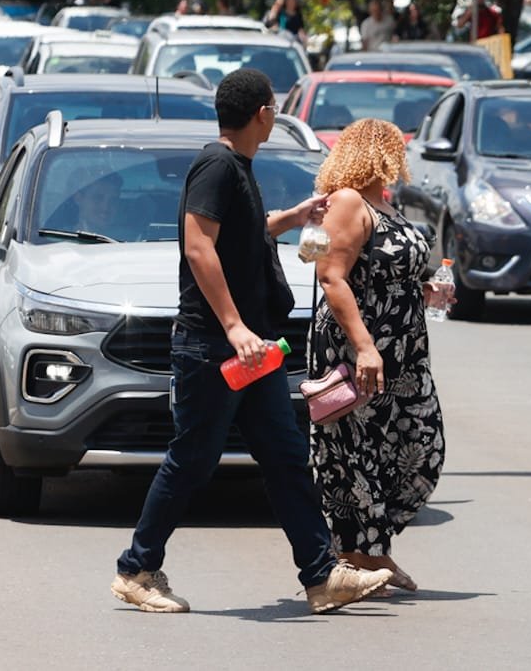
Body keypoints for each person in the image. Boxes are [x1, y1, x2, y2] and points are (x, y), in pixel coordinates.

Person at [113, 68, 392, 614]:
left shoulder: (236, 167)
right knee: (193, 458)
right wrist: (235, 326)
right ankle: (136, 570)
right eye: (272, 110)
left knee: (286, 456)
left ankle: (320, 577)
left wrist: (289, 218)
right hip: (215, 346)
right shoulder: (217, 165)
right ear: (262, 113)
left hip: (255, 347)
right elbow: (199, 247)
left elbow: (239, 234)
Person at [308, 118, 446, 592]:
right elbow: (332, 277)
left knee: (420, 452)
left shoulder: (383, 204)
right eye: (395, 149)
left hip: (405, 355)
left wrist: (425, 291)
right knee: (358, 455)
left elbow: (388, 274)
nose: (400, 161)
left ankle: (364, 550)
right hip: (360, 353)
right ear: (378, 151)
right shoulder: (348, 202)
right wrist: (365, 346)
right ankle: (363, 555)